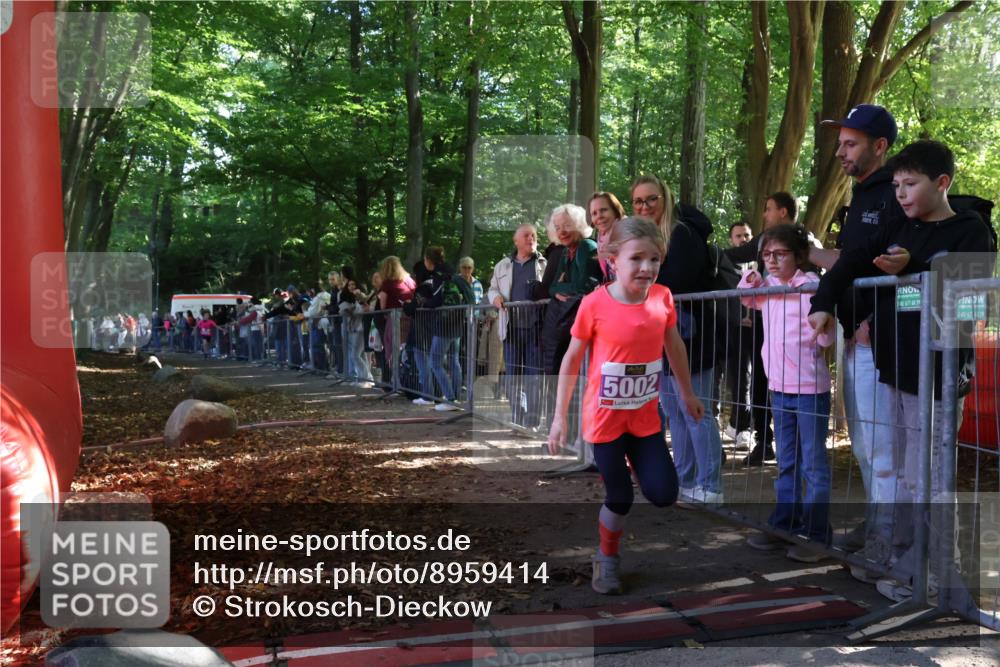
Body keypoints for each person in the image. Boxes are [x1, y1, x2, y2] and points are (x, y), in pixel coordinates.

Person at [809, 139, 994, 601]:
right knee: (909, 478)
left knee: (931, 478)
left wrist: (917, 269)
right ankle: (906, 560)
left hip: (938, 380)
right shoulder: (898, 226)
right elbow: (852, 260)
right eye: (896, 186)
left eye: (910, 184)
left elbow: (972, 306)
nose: (901, 194)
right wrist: (823, 302)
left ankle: (936, 573)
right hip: (894, 372)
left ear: (942, 183)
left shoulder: (971, 231)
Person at [547, 217, 704, 595]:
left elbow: (674, 345)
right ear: (613, 259)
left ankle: (635, 464)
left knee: (664, 494)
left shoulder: (662, 297)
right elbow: (571, 359)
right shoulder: (594, 303)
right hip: (604, 422)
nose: (647, 267)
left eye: (654, 259)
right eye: (636, 258)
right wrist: (559, 418)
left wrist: (687, 393)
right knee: (620, 498)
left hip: (645, 419)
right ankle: (606, 558)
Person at [811, 104, 904, 558]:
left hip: (877, 343)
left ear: (879, 146)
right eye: (839, 143)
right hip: (855, 339)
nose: (840, 153)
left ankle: (889, 543)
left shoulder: (896, 195)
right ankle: (878, 527)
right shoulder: (862, 196)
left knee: (882, 448)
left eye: (850, 144)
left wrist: (872, 322)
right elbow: (852, 262)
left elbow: (900, 268)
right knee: (866, 446)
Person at [740, 224, 834, 563]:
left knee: (813, 464)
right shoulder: (769, 288)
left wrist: (824, 326)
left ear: (798, 255)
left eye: (780, 254)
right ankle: (785, 524)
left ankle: (818, 536)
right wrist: (750, 278)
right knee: (787, 462)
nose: (772, 260)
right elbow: (746, 297)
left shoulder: (811, 287)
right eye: (766, 254)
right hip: (779, 389)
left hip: (809, 390)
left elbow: (827, 337)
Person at [632, 174, 722, 505]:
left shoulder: (682, 234)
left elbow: (677, 282)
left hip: (692, 335)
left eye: (651, 199)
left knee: (695, 409)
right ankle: (685, 480)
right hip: (662, 336)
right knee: (674, 411)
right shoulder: (648, 237)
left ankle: (711, 486)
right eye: (638, 201)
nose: (644, 206)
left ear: (665, 199)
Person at [488, 224, 547, 428]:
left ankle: (532, 421)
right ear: (516, 241)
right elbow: (492, 289)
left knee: (534, 377)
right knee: (513, 376)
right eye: (526, 235)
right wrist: (495, 298)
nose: (531, 238)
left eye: (534, 235)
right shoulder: (502, 265)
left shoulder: (544, 264)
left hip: (536, 329)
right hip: (511, 328)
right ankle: (517, 417)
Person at [541, 204, 601, 377]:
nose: (562, 232)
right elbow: (552, 288)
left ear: (579, 224)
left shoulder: (587, 246)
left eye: (567, 225)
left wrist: (562, 287)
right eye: (558, 227)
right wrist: (560, 289)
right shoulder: (566, 251)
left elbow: (583, 286)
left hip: (584, 321)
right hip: (571, 320)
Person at [378, 256, 416, 390]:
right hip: (411, 319)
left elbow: (383, 305)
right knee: (406, 349)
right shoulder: (410, 281)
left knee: (393, 349)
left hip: (394, 319)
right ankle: (407, 381)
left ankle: (396, 382)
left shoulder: (387, 284)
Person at [589, 191, 625, 282]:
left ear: (615, 210)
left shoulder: (628, 234)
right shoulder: (601, 237)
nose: (599, 216)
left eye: (603, 210)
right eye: (594, 213)